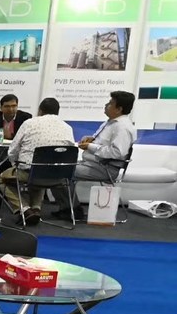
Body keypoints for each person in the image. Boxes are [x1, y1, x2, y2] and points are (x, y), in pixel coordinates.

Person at [54, 90, 137, 221]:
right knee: (58, 167)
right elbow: (105, 142)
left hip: (105, 168)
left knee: (60, 171)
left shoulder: (122, 127)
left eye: (110, 103)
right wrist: (91, 139)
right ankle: (70, 208)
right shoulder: (111, 123)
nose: (106, 105)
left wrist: (90, 147)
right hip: (93, 164)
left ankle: (72, 210)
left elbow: (117, 152)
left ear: (119, 109)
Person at [0, 98, 75, 226]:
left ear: (40, 111)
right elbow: (70, 151)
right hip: (59, 177)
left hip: (31, 173)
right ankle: (36, 209)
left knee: (2, 179)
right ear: (58, 111)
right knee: (41, 170)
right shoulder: (67, 128)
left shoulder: (29, 124)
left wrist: (15, 164)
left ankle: (25, 209)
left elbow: (13, 150)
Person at [0, 93, 31, 174]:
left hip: (16, 154)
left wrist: (11, 136)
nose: (11, 109)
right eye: (7, 106)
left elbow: (28, 138)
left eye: (14, 106)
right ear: (1, 108)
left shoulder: (25, 117)